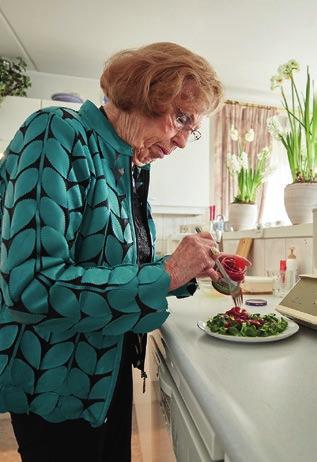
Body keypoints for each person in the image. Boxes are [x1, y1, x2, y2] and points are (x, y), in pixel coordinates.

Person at [0, 42, 249, 462]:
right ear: (141, 94)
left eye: (195, 127)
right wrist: (167, 272)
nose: (185, 141)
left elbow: (113, 272)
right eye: (182, 118)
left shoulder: (128, 167)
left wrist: (184, 271)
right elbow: (33, 283)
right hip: (58, 378)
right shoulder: (55, 132)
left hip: (106, 368)